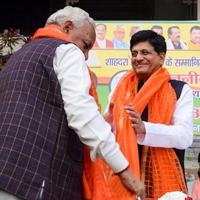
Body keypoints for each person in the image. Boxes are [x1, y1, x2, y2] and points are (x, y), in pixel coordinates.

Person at [0, 6, 145, 200]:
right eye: (86, 45)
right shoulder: (66, 50)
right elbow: (80, 112)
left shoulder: (17, 57)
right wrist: (124, 170)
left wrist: (103, 119)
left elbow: (47, 109)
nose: (85, 55)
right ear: (67, 27)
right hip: (33, 180)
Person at [105, 30, 193, 199]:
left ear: (161, 57)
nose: (138, 58)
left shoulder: (179, 90)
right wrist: (107, 122)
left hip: (165, 185)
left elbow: (184, 137)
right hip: (123, 178)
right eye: (134, 53)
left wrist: (144, 128)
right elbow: (108, 136)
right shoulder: (120, 90)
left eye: (145, 52)